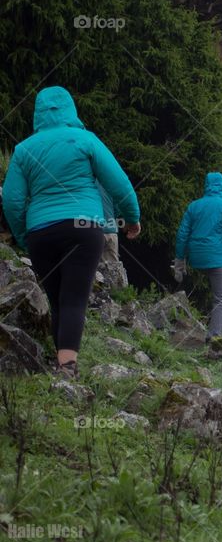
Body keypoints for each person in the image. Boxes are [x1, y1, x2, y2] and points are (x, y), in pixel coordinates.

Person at [2, 86, 141, 379]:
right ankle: (67, 368)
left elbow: (12, 201)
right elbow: (119, 184)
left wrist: (24, 236)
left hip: (41, 232)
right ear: (70, 110)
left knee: (57, 300)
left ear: (38, 114)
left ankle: (60, 362)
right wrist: (132, 219)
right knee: (74, 298)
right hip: (83, 227)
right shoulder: (85, 140)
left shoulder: (24, 150)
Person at [173, 172, 222, 343]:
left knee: (201, 284)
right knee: (220, 298)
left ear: (206, 186)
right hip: (216, 260)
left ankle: (182, 320)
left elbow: (182, 235)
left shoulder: (194, 206)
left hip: (195, 258)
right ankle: (214, 336)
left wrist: (179, 262)